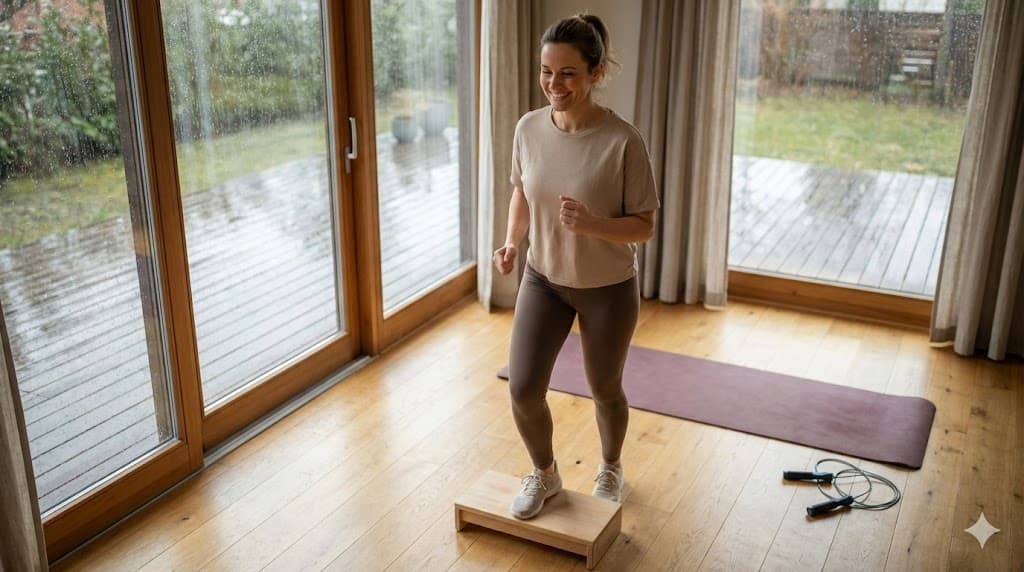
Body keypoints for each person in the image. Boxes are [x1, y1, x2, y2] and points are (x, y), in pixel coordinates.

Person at [493, 13, 660, 520]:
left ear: (595, 72)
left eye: (567, 73)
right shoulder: (528, 128)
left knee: (604, 387)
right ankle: (545, 473)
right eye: (546, 72)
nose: (554, 84)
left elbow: (644, 226)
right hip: (543, 279)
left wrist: (593, 225)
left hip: (607, 287)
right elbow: (522, 191)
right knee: (523, 387)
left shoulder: (622, 141)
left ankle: (610, 467)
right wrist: (511, 242)